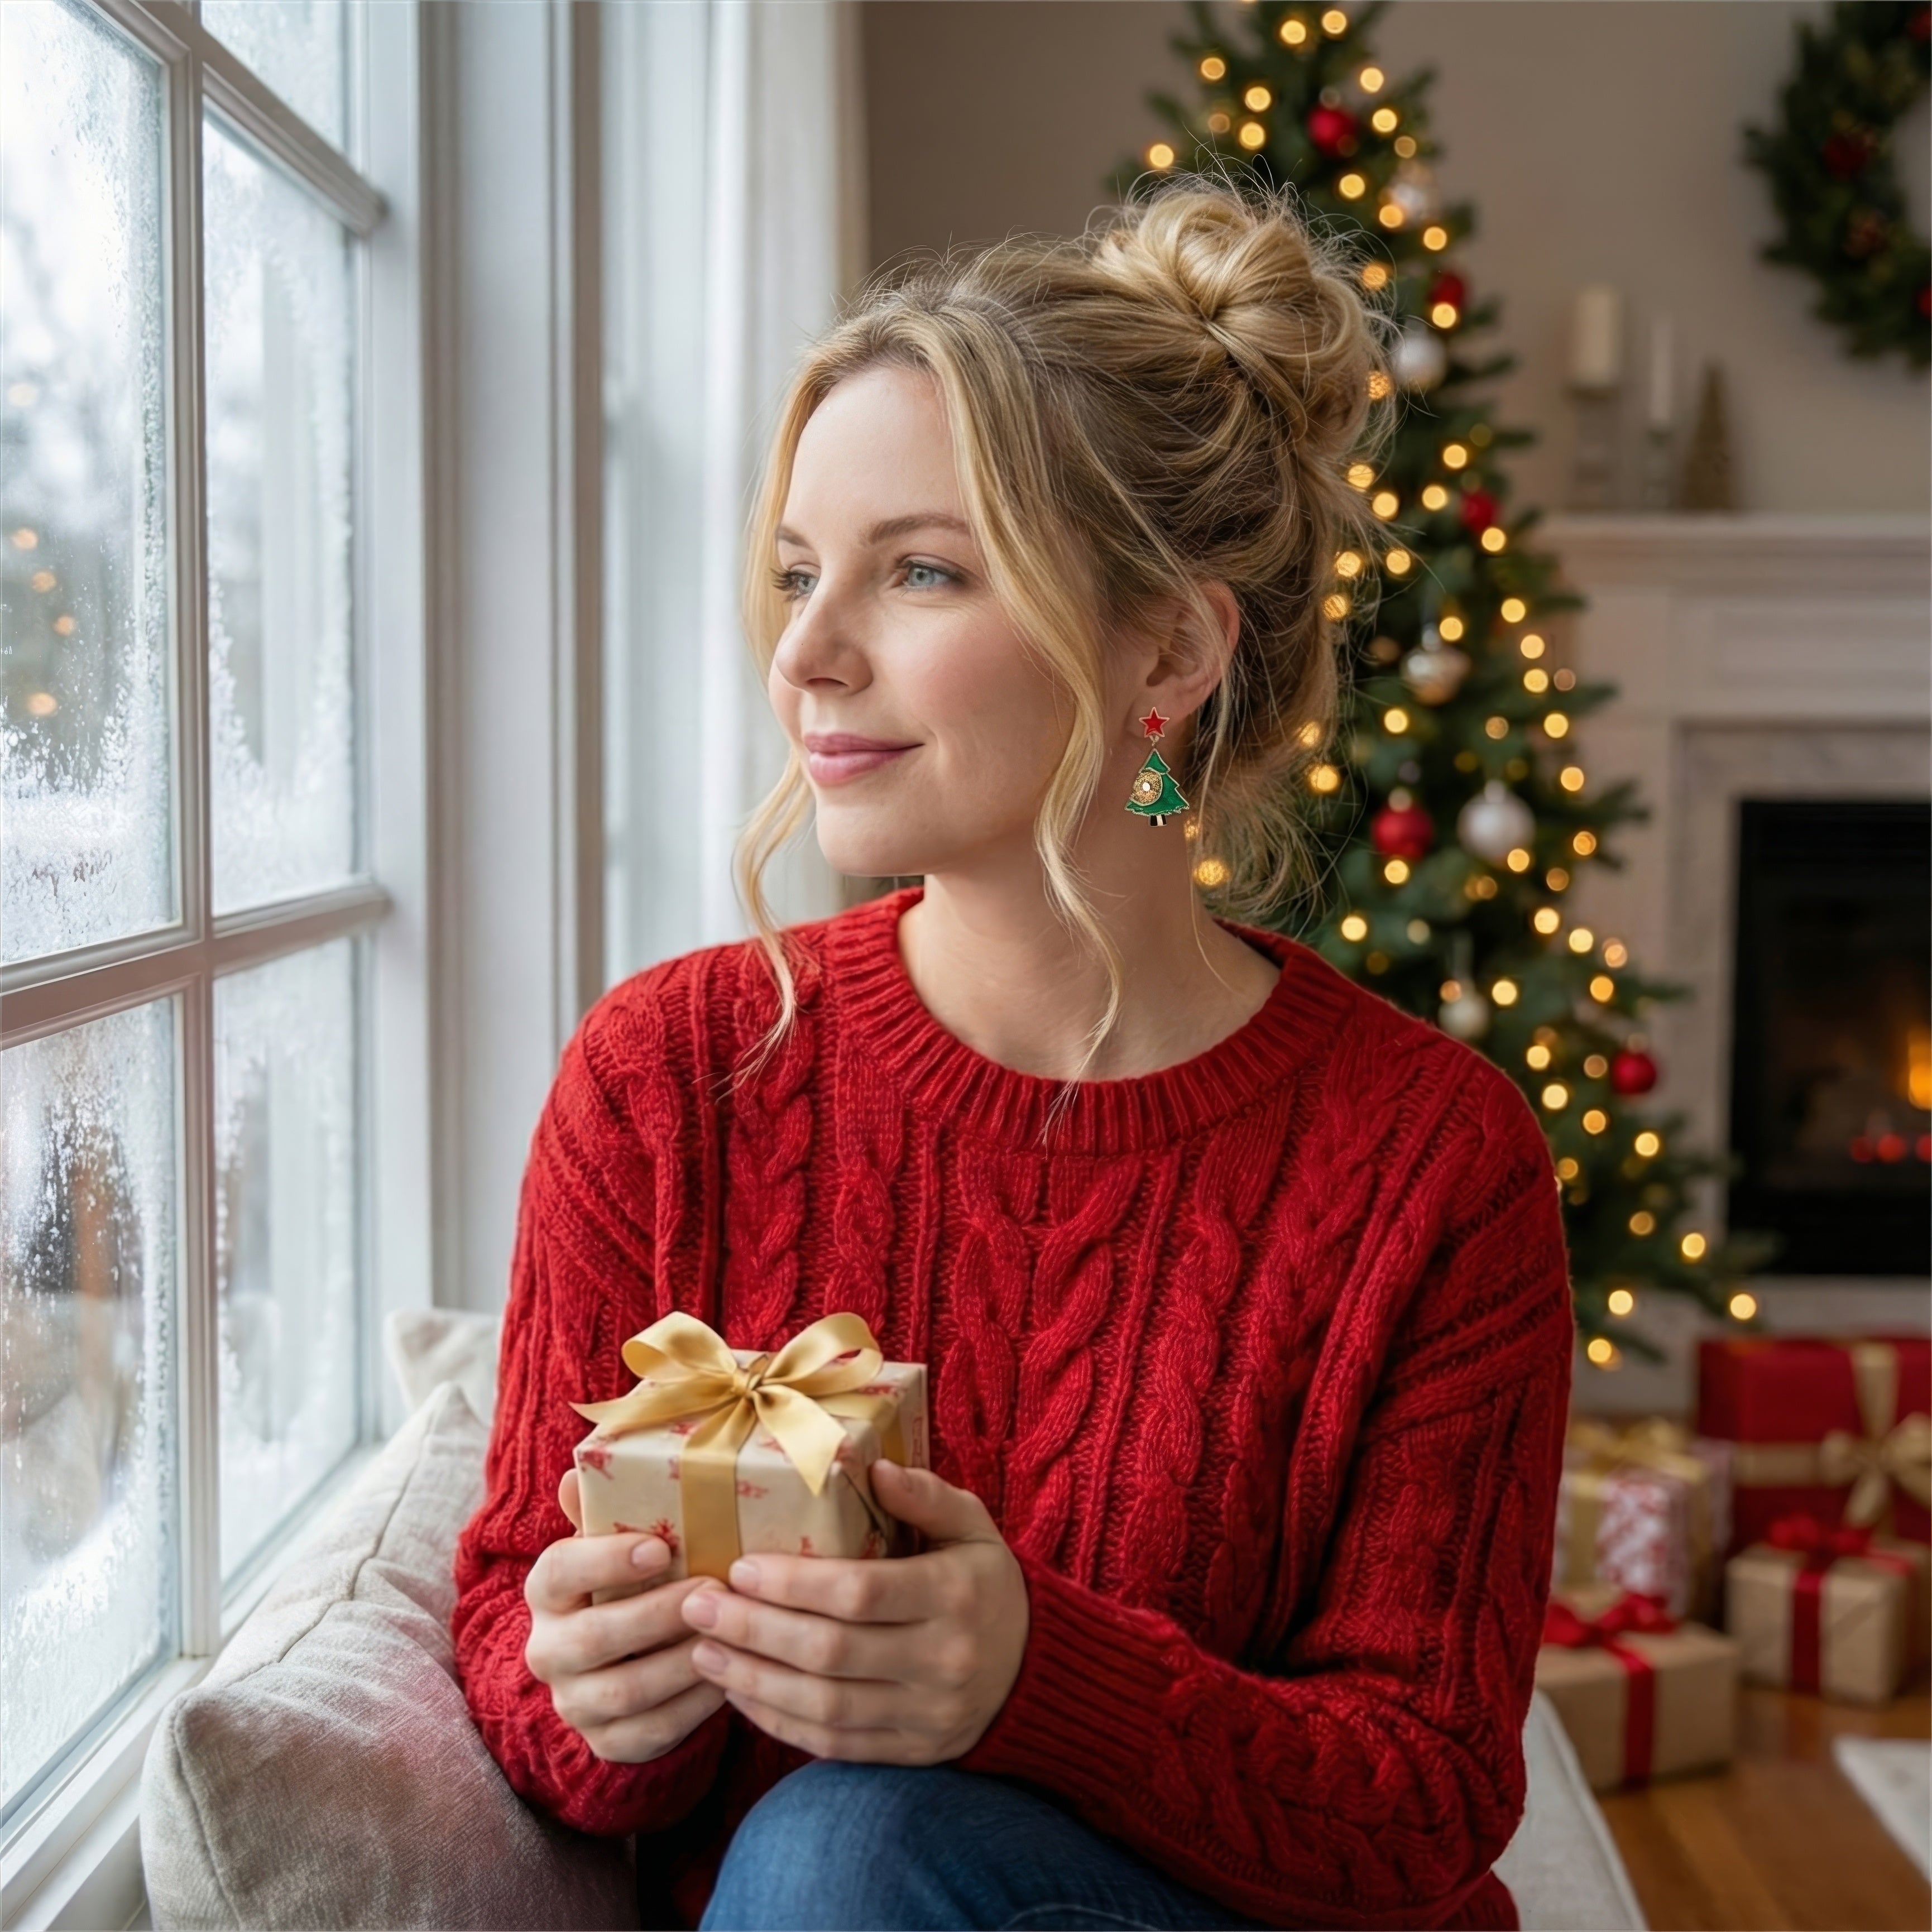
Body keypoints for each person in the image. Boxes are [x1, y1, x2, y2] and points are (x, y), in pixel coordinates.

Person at [452, 180, 1573, 1931]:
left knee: (854, 1847)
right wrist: (597, 1694)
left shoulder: (1432, 1160)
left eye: (919, 571)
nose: (807, 656)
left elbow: (1428, 1797)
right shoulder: (668, 1077)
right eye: (797, 574)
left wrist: (1037, 1680)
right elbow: (516, 1615)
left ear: (1172, 653)